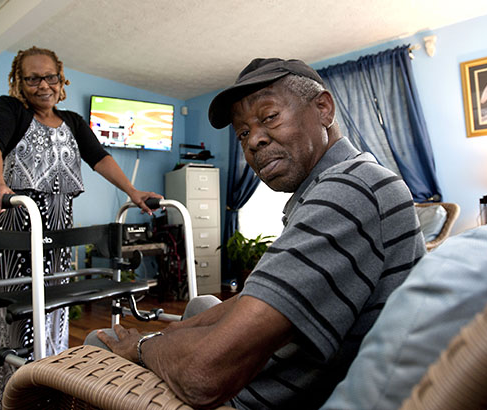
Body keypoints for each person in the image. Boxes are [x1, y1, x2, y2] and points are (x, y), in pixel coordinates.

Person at [91, 58, 426, 409]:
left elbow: (203, 375)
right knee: (202, 305)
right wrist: (171, 333)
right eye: (243, 133)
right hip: (318, 371)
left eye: (269, 117)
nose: (254, 142)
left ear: (323, 108)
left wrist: (143, 347)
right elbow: (265, 292)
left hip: (263, 398)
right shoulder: (347, 180)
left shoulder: (347, 191)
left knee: (99, 345)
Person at [0, 46, 161, 409]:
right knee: (16, 326)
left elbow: (101, 158)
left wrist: (133, 191)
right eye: (32, 78)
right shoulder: (9, 109)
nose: (42, 84)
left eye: (50, 77)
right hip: (16, 232)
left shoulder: (74, 122)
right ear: (20, 81)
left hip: (59, 238)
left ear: (61, 80)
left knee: (54, 322)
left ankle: (48, 395)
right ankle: (8, 402)